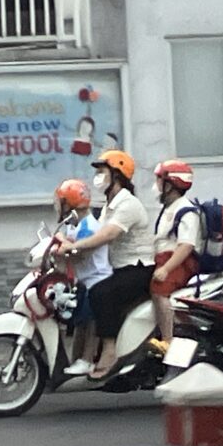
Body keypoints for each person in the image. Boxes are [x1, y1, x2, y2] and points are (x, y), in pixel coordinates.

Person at [57, 150, 154, 379]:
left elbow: (107, 235)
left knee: (101, 292)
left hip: (138, 268)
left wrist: (74, 246)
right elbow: (94, 235)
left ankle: (110, 351)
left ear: (117, 175)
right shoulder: (109, 205)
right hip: (119, 267)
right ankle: (84, 356)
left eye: (103, 171)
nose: (98, 176)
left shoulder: (128, 204)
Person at [54, 179, 112, 376]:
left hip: (97, 280)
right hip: (84, 279)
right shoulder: (73, 224)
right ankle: (76, 359)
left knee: (89, 320)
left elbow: (78, 253)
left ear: (69, 202)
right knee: (79, 320)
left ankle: (87, 359)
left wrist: (60, 245)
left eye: (61, 201)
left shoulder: (88, 226)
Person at [150, 160, 201, 352]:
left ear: (170, 185)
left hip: (177, 261)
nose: (155, 186)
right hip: (162, 257)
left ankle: (167, 339)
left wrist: (166, 269)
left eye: (159, 180)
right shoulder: (169, 209)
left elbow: (186, 246)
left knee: (159, 289)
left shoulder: (186, 210)